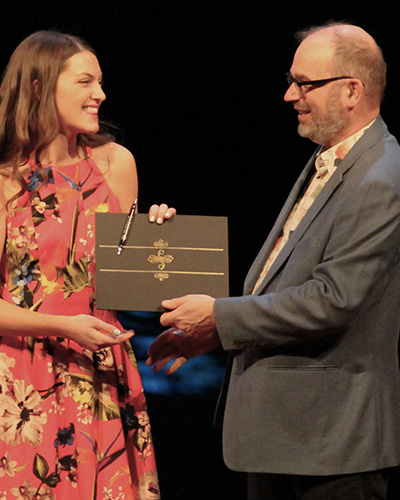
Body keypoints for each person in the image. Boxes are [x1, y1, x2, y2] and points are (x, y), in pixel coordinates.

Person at [147, 23, 400, 500]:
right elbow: (283, 281)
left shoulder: (381, 178)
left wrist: (220, 317)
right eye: (292, 80)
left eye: (305, 83)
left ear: (352, 91)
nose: (290, 95)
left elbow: (333, 299)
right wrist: (212, 332)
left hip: (328, 443)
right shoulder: (332, 159)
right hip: (290, 439)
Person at [0, 31, 175, 499]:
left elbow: (129, 280)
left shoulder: (115, 164)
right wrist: (62, 326)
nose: (100, 94)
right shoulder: (4, 180)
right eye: (85, 82)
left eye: (100, 82)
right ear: (39, 87)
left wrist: (160, 238)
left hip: (98, 372)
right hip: (21, 381)